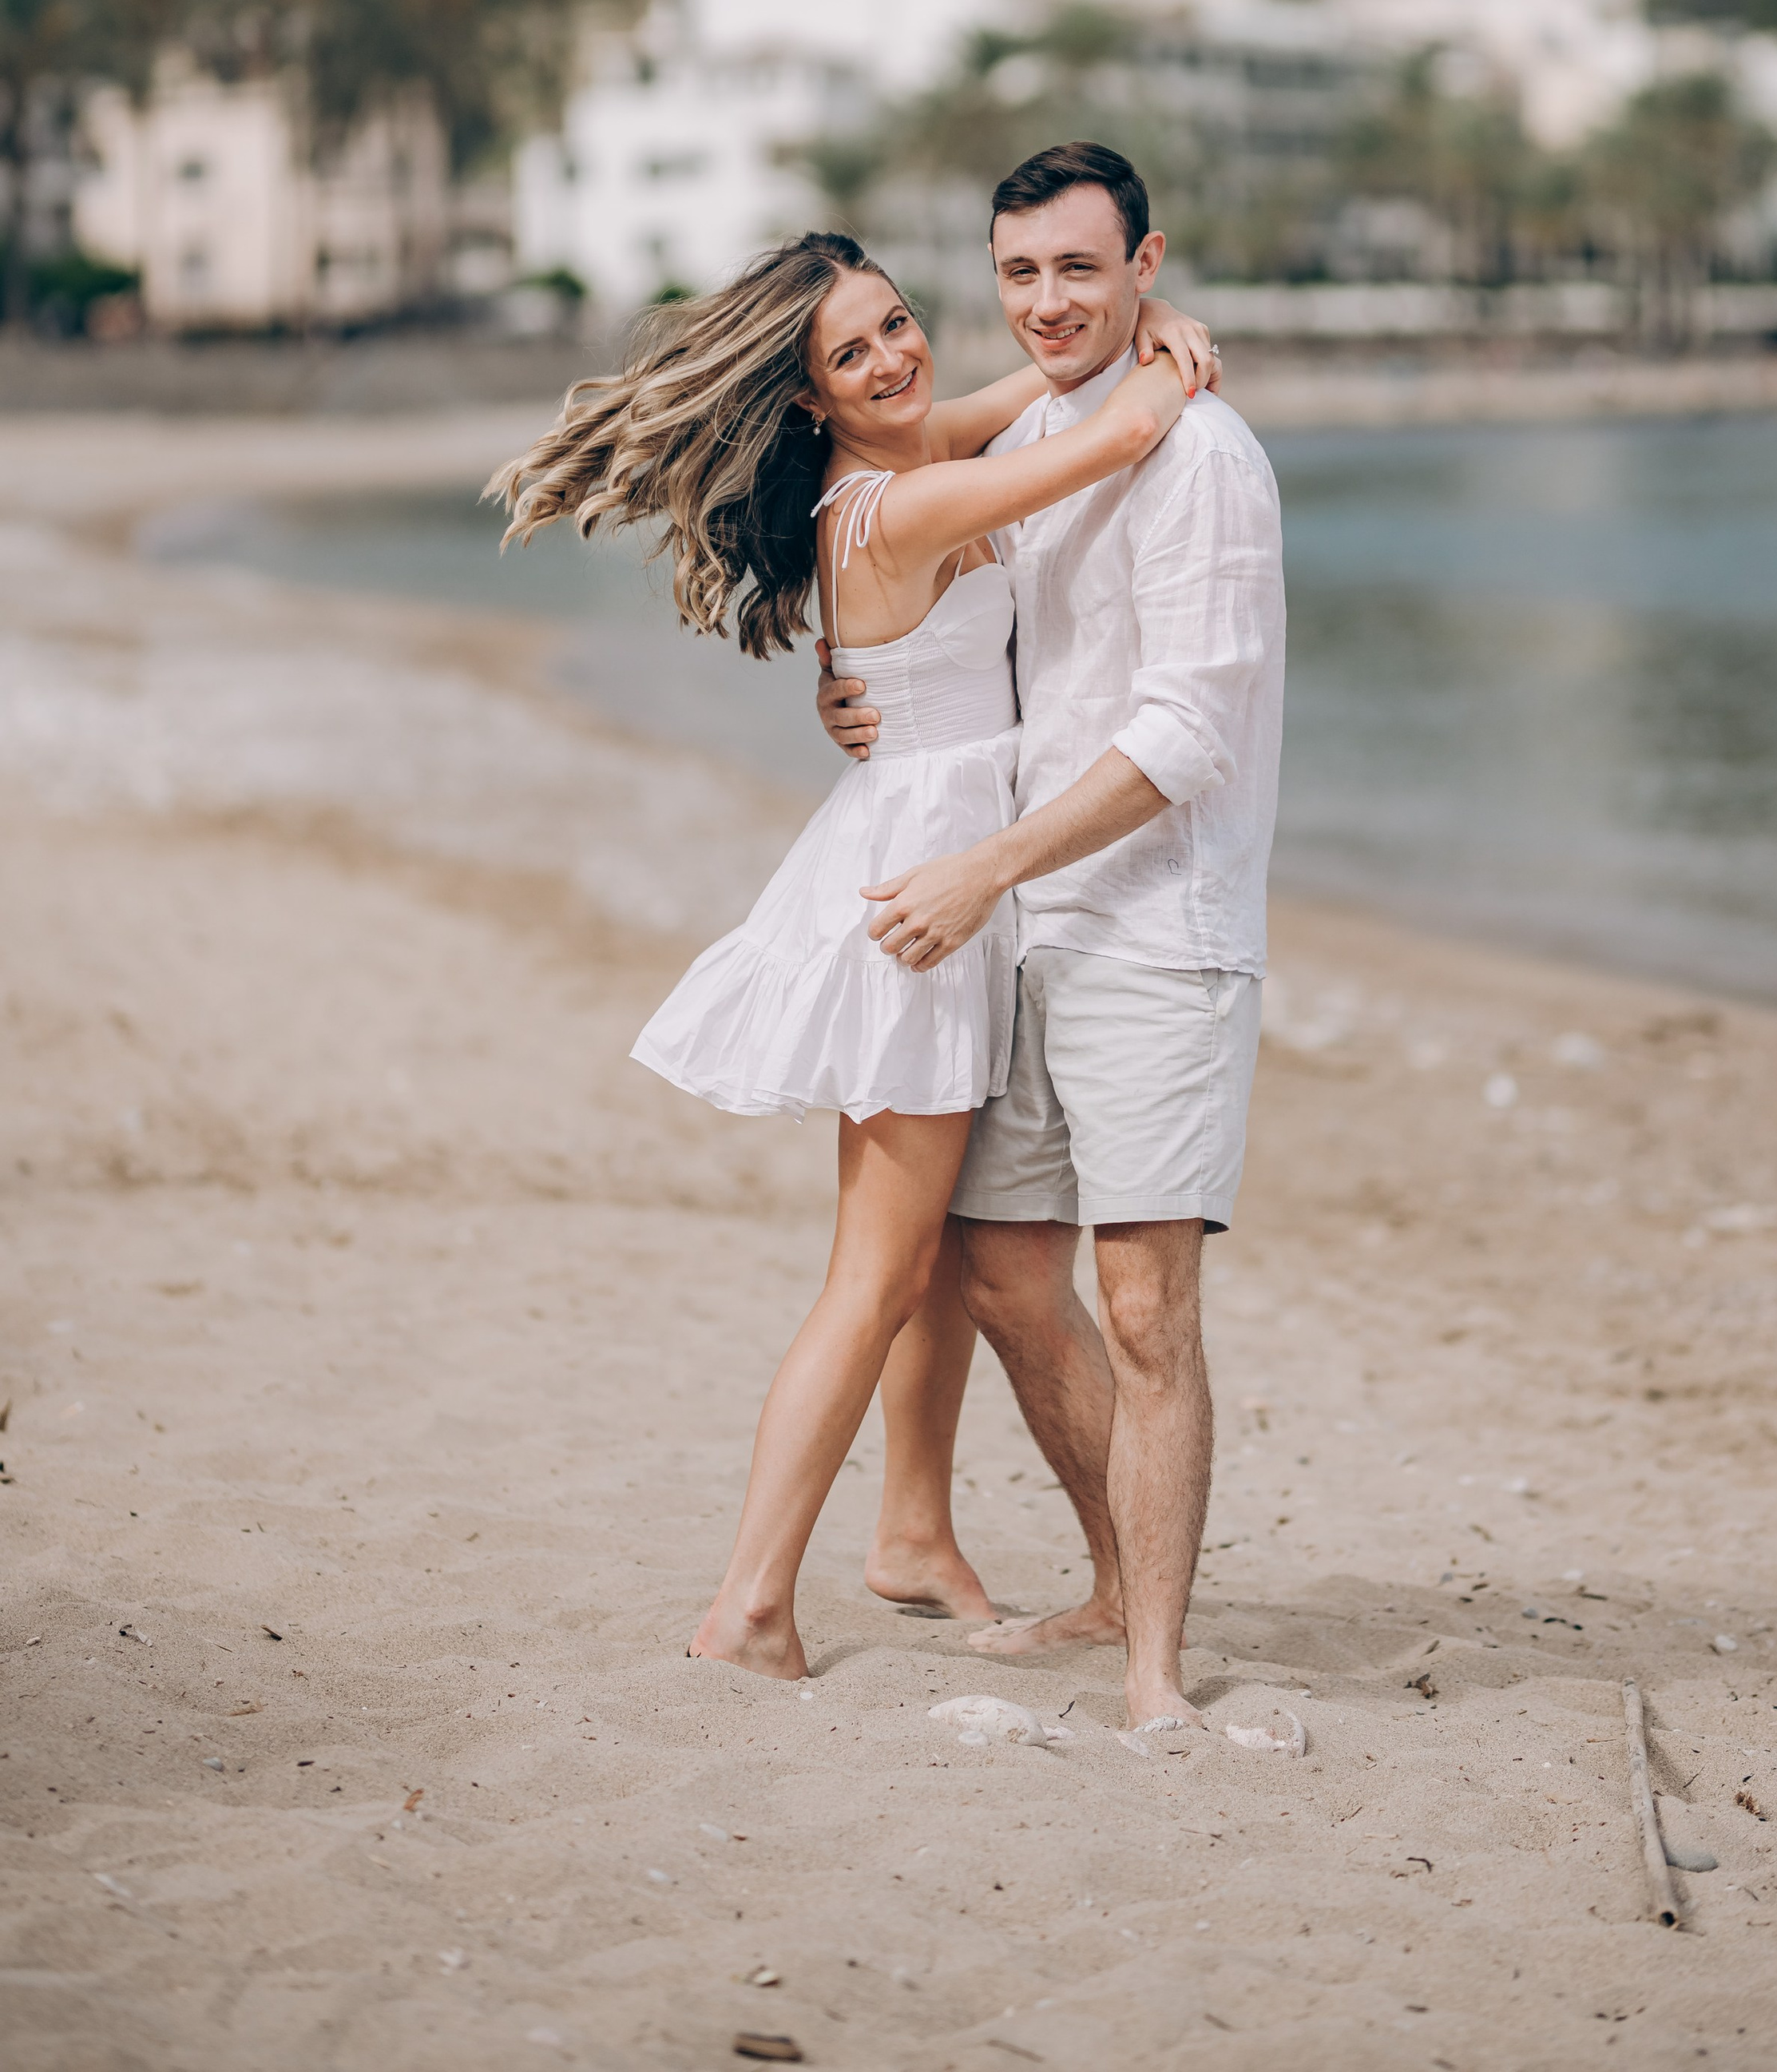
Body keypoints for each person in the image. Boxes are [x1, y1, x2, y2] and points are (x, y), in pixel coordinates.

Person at [486, 232, 1216, 1679]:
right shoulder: (906, 498)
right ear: (811, 398)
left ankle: (912, 1533)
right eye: (852, 354)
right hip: (924, 899)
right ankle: (751, 1606)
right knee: (875, 1273)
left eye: (894, 325)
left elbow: (1038, 377)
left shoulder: (895, 459)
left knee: (935, 1257)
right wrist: (1160, 346)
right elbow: (1122, 424)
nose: (894, 359)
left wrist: (1149, 309)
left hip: (920, 853)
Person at [818, 144, 1285, 1735]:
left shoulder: (1202, 459)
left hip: (1159, 927)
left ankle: (1155, 1669)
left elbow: (1188, 735)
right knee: (1004, 1275)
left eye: (1078, 270)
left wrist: (983, 864)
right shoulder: (1039, 422)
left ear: (1143, 261)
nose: (1044, 302)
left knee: (1146, 1305)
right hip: (1020, 924)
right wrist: (849, 689)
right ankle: (1103, 1582)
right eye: (1018, 273)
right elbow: (910, 563)